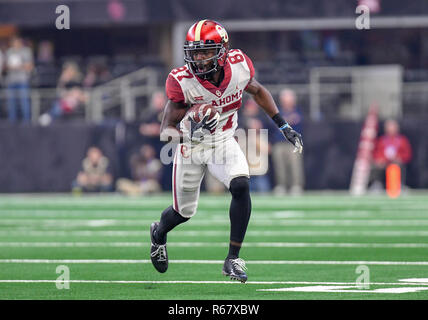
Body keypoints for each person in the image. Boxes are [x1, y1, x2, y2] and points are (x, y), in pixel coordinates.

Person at [149, 20, 303, 283]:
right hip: (191, 146)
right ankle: (158, 233)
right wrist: (190, 131)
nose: (198, 58)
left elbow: (258, 91)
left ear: (222, 50)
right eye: (194, 52)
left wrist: (283, 125)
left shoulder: (239, 65)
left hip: (222, 140)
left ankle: (232, 258)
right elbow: (166, 130)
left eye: (205, 51)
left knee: (241, 184)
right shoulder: (182, 80)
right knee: (182, 213)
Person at [271, 88, 305, 195]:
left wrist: (285, 121)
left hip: (293, 143)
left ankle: (296, 185)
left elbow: (297, 123)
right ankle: (281, 185)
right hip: (279, 143)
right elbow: (274, 124)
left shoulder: (298, 111)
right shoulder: (277, 111)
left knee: (295, 165)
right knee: (279, 166)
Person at [370, 119, 412, 190]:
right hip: (384, 163)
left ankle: (399, 185)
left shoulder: (402, 140)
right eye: (389, 127)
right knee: (376, 166)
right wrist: (380, 160)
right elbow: (376, 153)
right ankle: (377, 185)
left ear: (397, 128)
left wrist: (399, 158)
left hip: (396, 162)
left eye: (393, 126)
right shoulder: (381, 140)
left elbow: (407, 154)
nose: (391, 129)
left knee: (398, 165)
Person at [4, 36, 34, 123]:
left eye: (17, 42)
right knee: (11, 103)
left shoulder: (26, 51)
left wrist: (19, 66)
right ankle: (12, 122)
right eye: (14, 42)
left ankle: (26, 123)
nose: (16, 44)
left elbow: (30, 66)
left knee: (24, 102)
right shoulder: (9, 52)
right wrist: (11, 67)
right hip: (11, 81)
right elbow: (6, 66)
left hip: (22, 81)